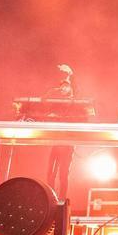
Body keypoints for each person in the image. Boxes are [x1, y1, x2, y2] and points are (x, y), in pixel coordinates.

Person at [45, 64, 76, 200]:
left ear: (71, 88)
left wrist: (70, 74)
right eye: (62, 86)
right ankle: (50, 198)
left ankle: (62, 201)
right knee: (50, 173)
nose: (63, 88)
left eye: (66, 86)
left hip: (68, 143)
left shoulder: (74, 102)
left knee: (63, 174)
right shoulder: (57, 102)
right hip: (57, 141)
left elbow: (77, 87)